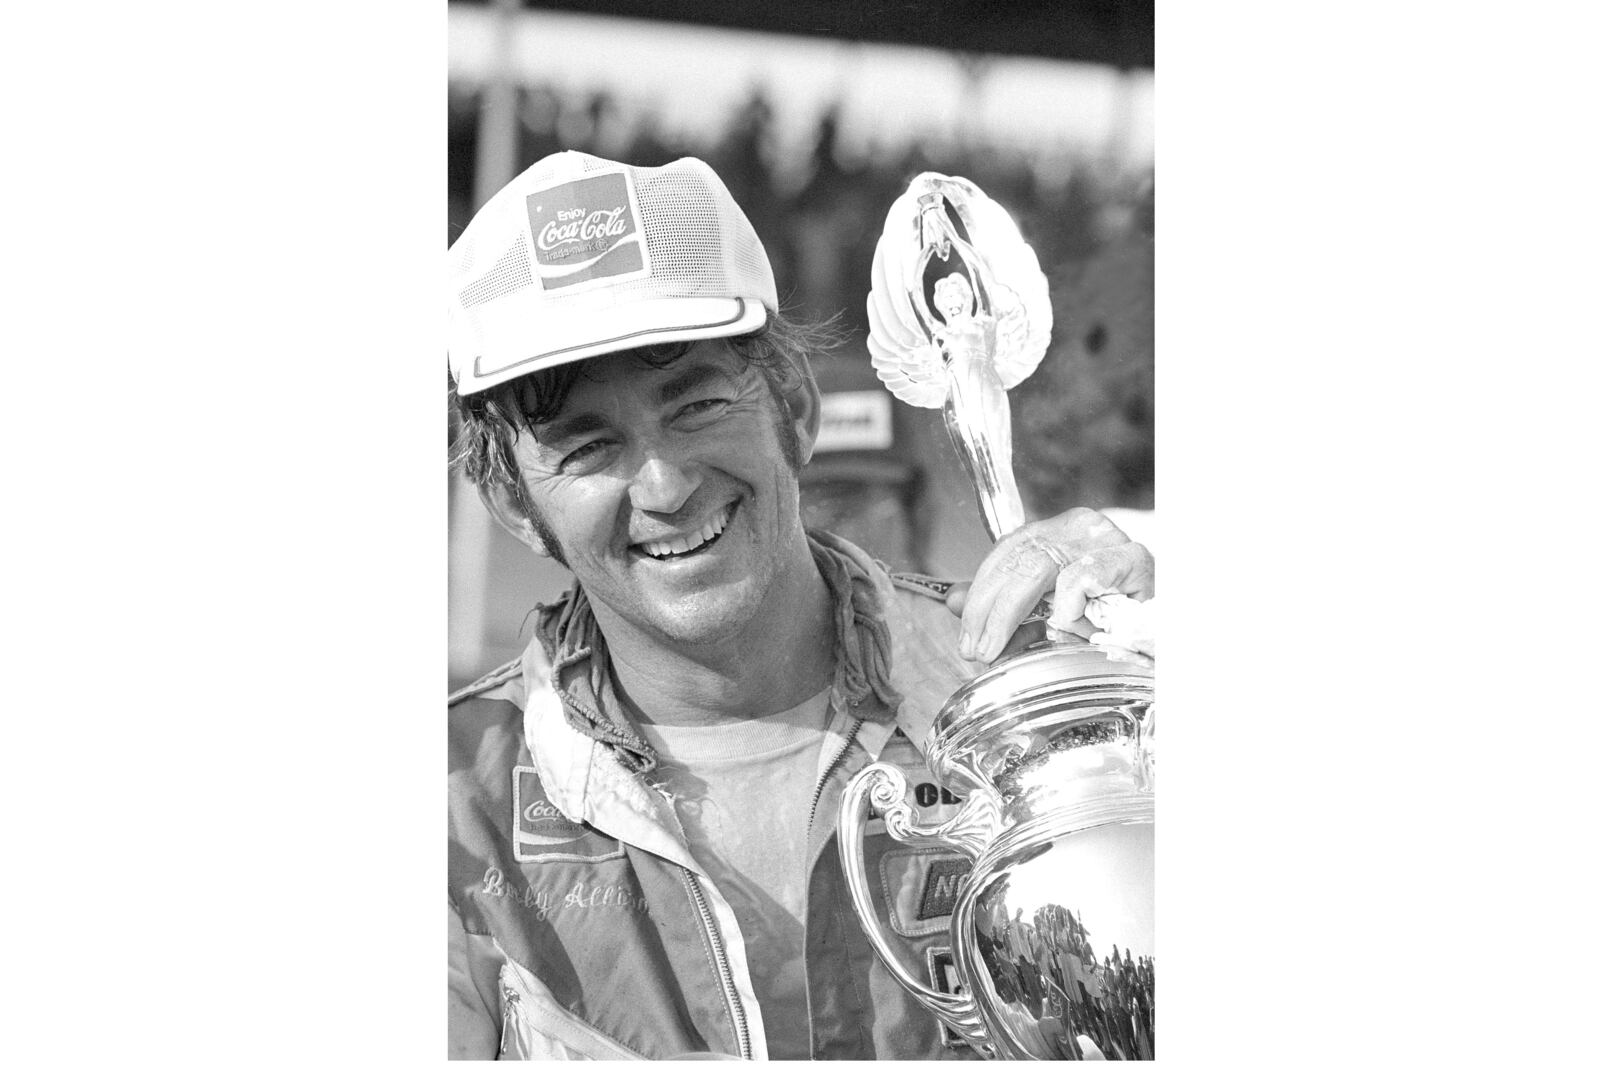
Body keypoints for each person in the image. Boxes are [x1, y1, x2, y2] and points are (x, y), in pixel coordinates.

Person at [446, 151, 1154, 1060]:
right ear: (513, 504)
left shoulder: (1027, 692)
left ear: (793, 403)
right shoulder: (449, 815)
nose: (663, 485)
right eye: (588, 447)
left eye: (696, 403)